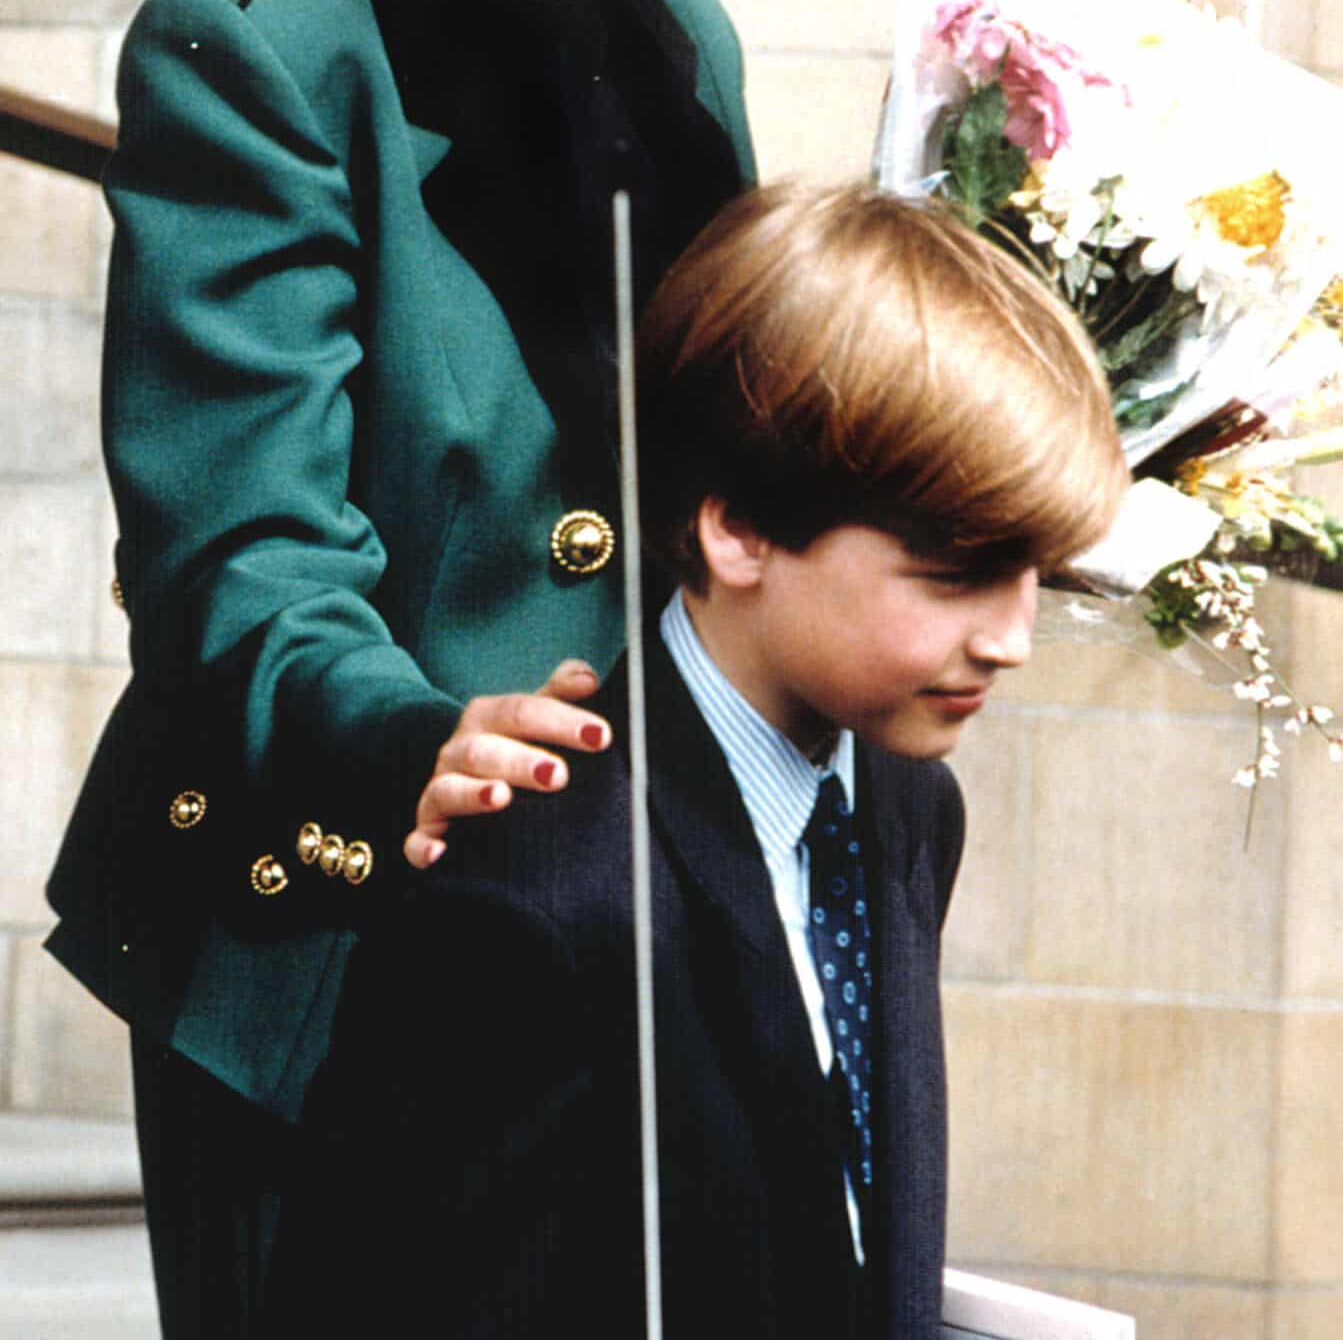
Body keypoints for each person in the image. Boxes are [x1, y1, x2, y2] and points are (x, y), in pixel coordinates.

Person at [43, 0, 843, 1334]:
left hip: (625, 924)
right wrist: (404, 731)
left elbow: (712, 464)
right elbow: (238, 550)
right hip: (330, 924)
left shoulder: (672, 28)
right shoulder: (260, 40)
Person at [264, 181, 1130, 1339]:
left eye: (1036, 571)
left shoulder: (909, 800)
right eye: (955, 569)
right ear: (738, 530)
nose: (1010, 638)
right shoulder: (534, 893)